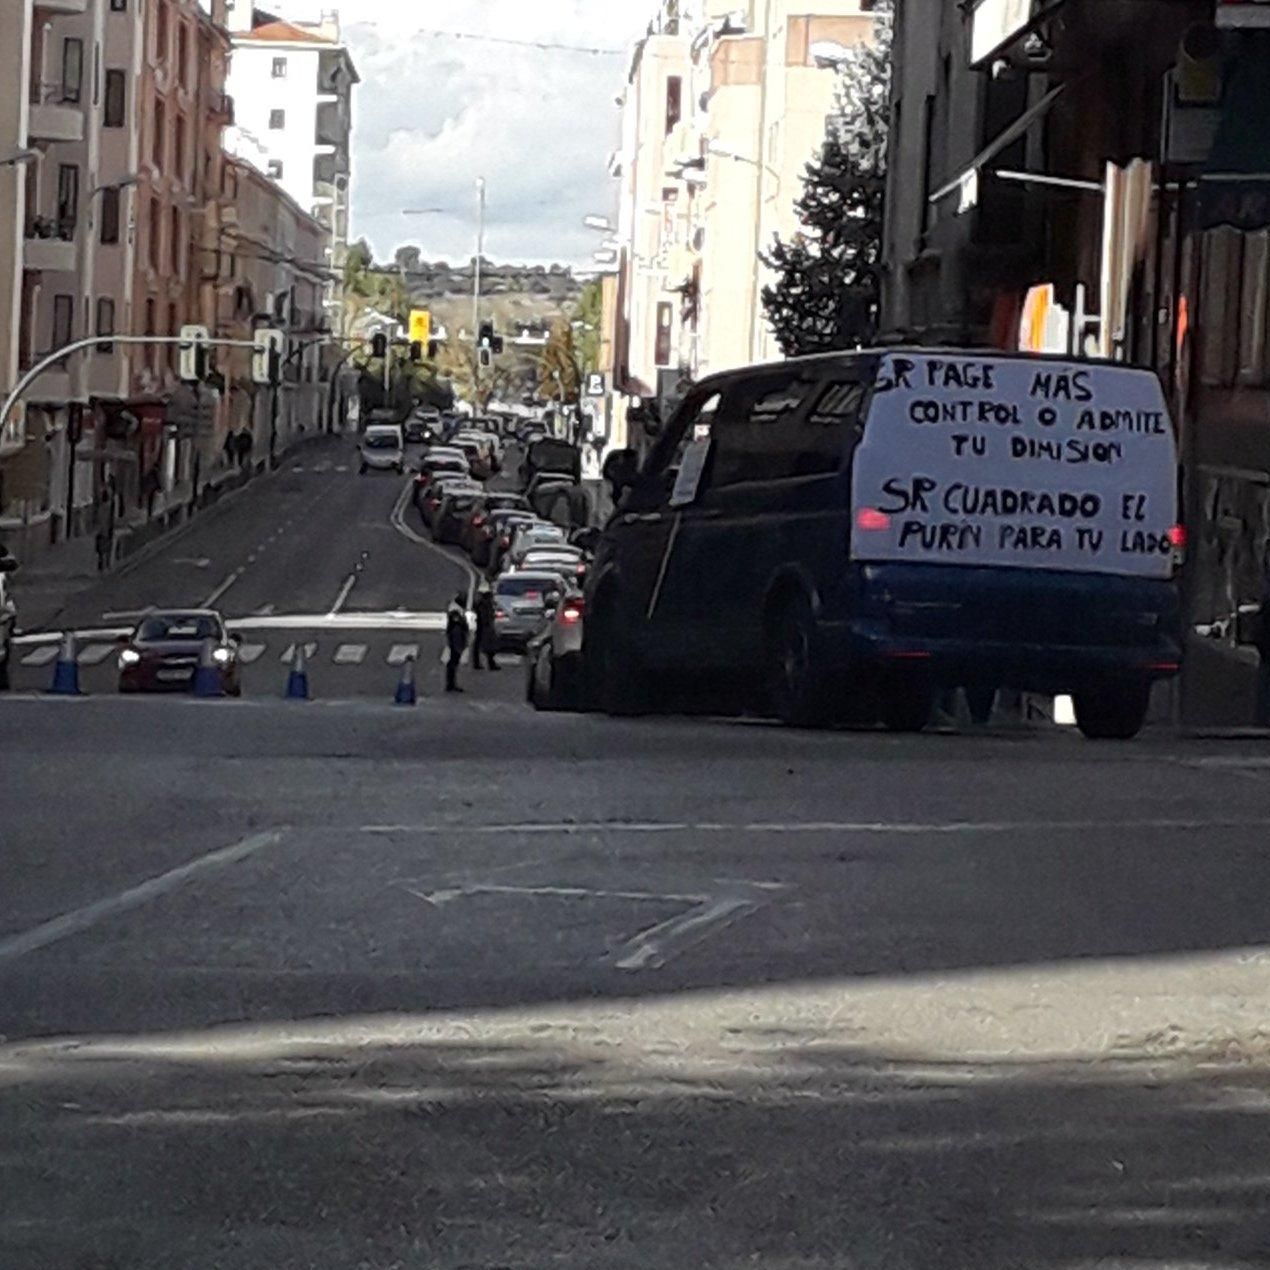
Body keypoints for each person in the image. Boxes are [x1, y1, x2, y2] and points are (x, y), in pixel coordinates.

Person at [445, 591, 469, 692]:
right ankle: (451, 684)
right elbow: (457, 627)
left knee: (454, 662)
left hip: (456, 637)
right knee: (453, 662)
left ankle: (451, 683)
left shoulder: (456, 609)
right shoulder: (455, 611)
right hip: (456, 638)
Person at [471, 581, 499, 671]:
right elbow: (485, 615)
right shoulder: (484, 603)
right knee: (488, 644)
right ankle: (489, 663)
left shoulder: (483, 602)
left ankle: (478, 662)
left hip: (483, 624)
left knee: (480, 642)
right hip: (484, 625)